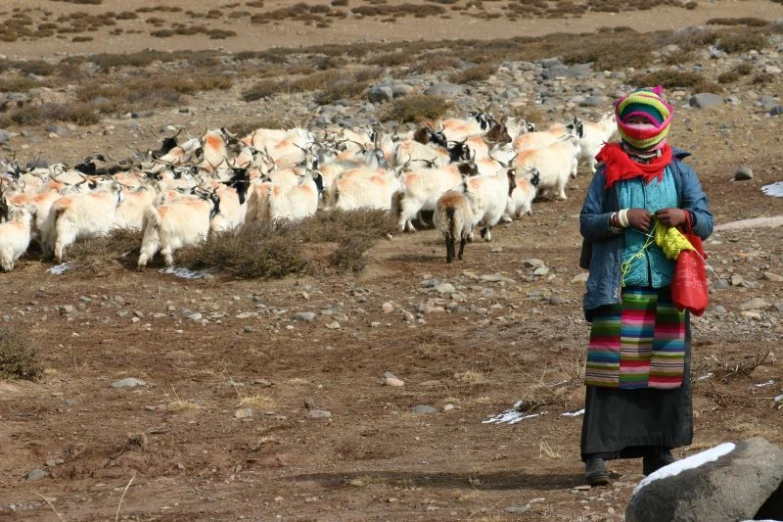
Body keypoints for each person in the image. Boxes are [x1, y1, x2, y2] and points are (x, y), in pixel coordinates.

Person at [578, 85, 713, 486]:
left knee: (665, 369)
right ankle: (597, 458)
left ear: (661, 126)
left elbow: (705, 220)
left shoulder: (680, 172)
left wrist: (682, 216)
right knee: (608, 373)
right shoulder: (607, 172)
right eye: (633, 120)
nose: (639, 128)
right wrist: (620, 218)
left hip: (667, 288)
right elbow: (587, 223)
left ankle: (658, 450)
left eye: (646, 121)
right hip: (618, 286)